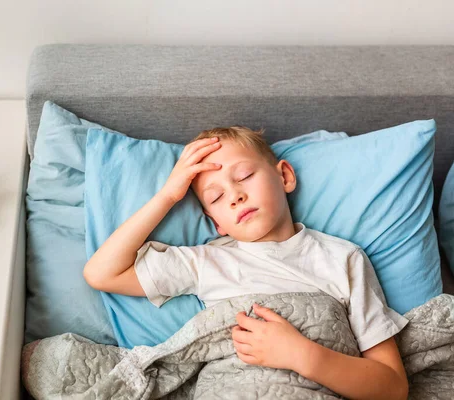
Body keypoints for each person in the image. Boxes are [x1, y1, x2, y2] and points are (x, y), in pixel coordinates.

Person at [84, 126, 409, 399]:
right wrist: (169, 195)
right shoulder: (208, 261)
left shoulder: (343, 259)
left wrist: (305, 356)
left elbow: (393, 386)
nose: (235, 195)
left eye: (245, 175)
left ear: (284, 176)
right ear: (218, 224)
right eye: (216, 197)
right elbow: (102, 273)